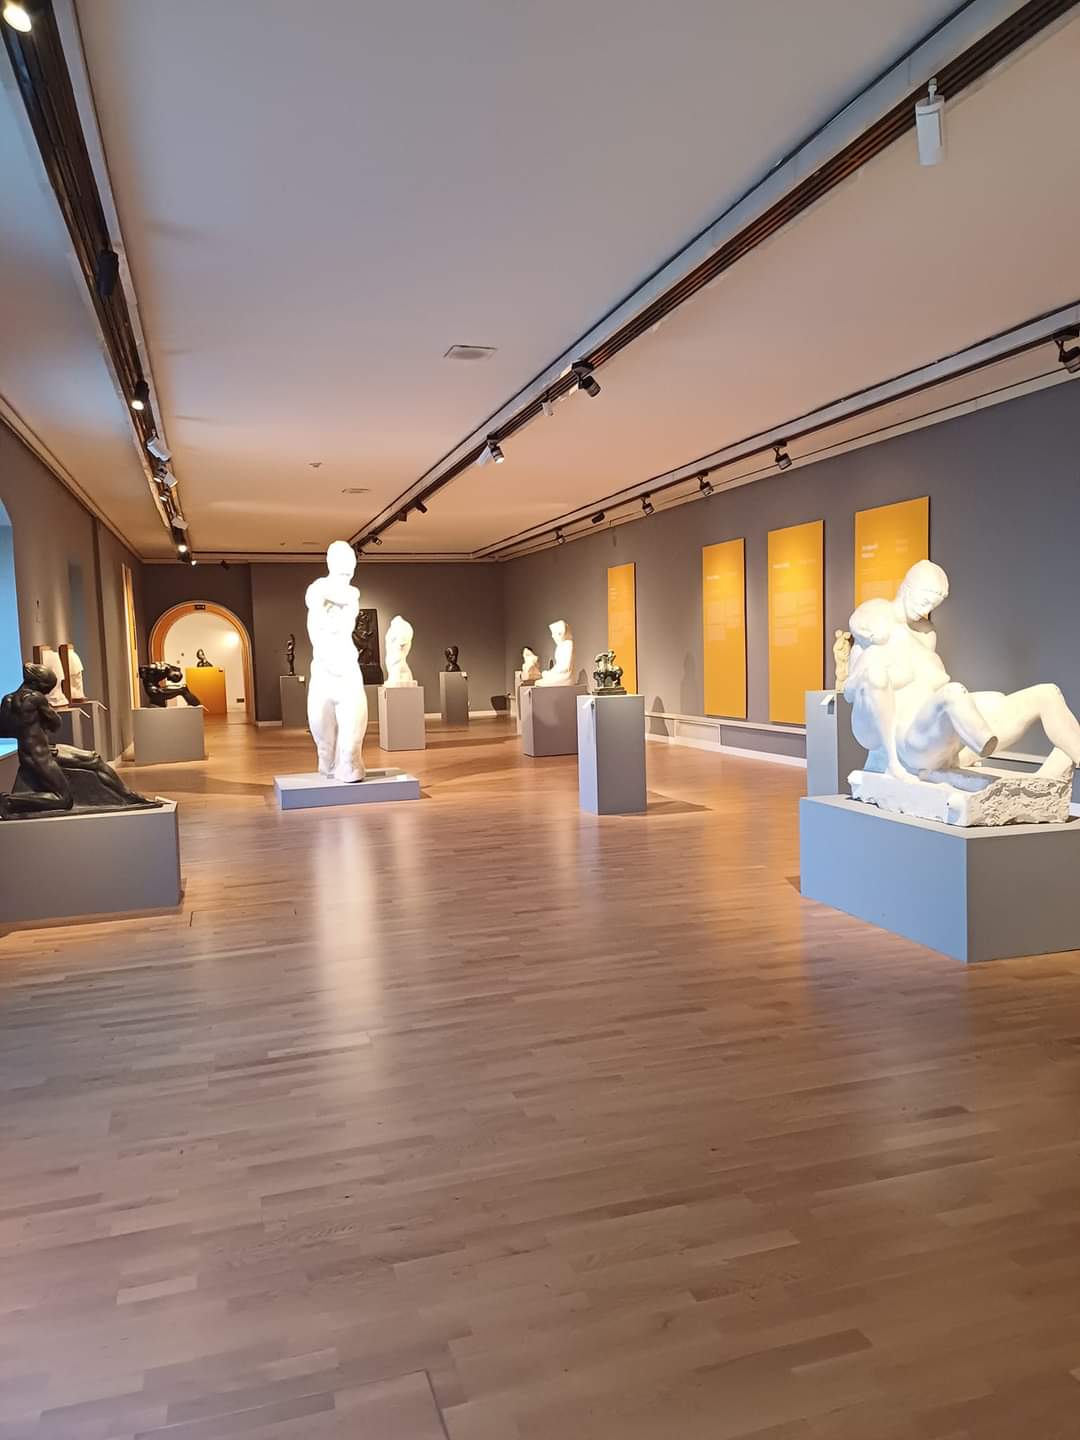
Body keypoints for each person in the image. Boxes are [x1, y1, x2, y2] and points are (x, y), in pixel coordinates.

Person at [845, 560, 1080, 781]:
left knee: (1046, 694)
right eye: (923, 601)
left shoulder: (926, 633)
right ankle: (979, 744)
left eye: (933, 605)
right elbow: (855, 693)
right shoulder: (874, 635)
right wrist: (890, 759)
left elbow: (930, 684)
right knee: (954, 693)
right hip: (913, 741)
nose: (926, 609)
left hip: (947, 733)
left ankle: (1063, 761)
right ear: (907, 588)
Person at [0, 663, 157, 817]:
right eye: (46, 688)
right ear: (36, 683)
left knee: (94, 758)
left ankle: (128, 796)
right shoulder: (36, 698)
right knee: (63, 799)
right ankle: (10, 801)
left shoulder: (7, 700)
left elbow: (4, 732)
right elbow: (56, 724)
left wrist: (27, 728)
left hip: (41, 750)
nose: (47, 692)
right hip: (39, 757)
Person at [306, 541, 367, 782]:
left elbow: (348, 596)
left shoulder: (351, 595)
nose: (347, 573)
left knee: (350, 749)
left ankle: (350, 767)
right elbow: (317, 596)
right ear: (331, 564)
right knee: (325, 748)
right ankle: (330, 767)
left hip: (347, 671)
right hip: (323, 672)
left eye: (350, 566)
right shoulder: (317, 590)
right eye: (343, 565)